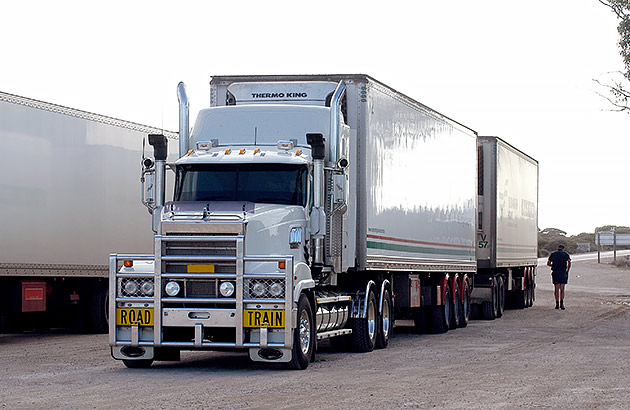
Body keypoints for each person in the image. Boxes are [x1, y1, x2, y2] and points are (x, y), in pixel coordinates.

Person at [547, 244, 571, 310]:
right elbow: (569, 262)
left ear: (558, 248)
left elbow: (548, 263)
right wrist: (567, 270)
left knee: (556, 288)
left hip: (555, 272)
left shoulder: (553, 254)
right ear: (563, 248)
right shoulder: (565, 254)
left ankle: (557, 303)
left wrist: (553, 266)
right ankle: (562, 303)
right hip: (563, 272)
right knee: (562, 289)